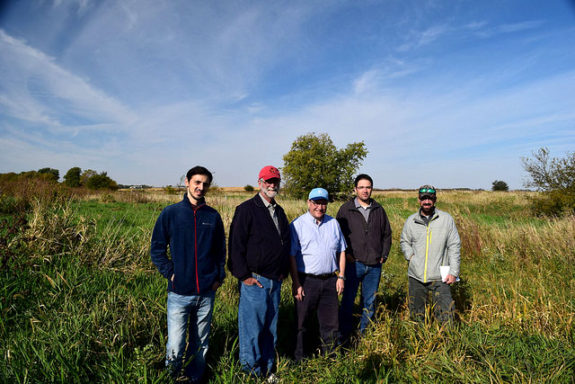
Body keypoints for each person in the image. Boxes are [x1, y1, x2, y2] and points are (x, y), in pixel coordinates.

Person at [150, 166, 226, 383]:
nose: (201, 188)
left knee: (201, 342)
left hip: (206, 293)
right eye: (197, 182)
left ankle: (195, 378)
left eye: (205, 184)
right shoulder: (171, 213)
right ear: (187, 182)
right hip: (179, 293)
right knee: (175, 342)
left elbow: (221, 250)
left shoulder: (212, 216)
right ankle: (172, 377)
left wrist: (218, 277)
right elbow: (157, 248)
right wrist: (171, 273)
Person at [228, 165, 291, 379]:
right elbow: (235, 246)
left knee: (270, 329)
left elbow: (285, 243)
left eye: (275, 181)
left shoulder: (279, 211)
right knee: (252, 330)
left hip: (275, 281)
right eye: (268, 181)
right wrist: (244, 276)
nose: (272, 185)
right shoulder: (246, 209)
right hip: (255, 281)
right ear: (260, 182)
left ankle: (268, 369)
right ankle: (250, 373)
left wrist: (283, 271)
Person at [289, 188, 347, 362]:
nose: (319, 207)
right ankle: (301, 359)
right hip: (306, 281)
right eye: (316, 203)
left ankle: (330, 357)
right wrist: (296, 282)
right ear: (308, 202)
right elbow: (291, 255)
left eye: (323, 203)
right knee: (302, 323)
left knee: (331, 324)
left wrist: (341, 276)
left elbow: (342, 251)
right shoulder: (297, 225)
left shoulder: (333, 224)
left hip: (330, 280)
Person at [337, 174, 392, 342]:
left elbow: (387, 234)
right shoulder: (346, 209)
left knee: (369, 301)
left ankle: (364, 334)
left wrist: (383, 255)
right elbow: (338, 236)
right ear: (355, 189)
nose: (365, 190)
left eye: (368, 187)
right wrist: (347, 255)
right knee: (348, 300)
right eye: (361, 187)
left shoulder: (378, 209)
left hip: (374, 265)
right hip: (354, 264)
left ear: (371, 189)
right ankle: (345, 334)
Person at [400, 185, 461, 323]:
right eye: (423, 198)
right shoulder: (411, 221)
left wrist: (454, 271)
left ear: (435, 199)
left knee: (446, 314)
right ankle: (419, 340)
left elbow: (454, 245)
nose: (426, 201)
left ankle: (447, 341)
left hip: (441, 276)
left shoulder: (446, 219)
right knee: (417, 314)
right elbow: (404, 241)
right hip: (416, 275)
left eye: (430, 198)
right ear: (419, 200)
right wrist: (410, 257)